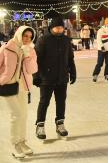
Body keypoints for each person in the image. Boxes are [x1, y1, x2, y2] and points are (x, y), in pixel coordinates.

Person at [33, 16, 76, 140]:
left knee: (61, 101)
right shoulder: (43, 40)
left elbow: (70, 57)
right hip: (46, 77)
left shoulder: (66, 40)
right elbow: (36, 59)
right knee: (44, 102)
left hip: (62, 77)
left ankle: (60, 123)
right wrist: (36, 76)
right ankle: (40, 125)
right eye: (57, 27)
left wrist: (73, 71)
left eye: (61, 27)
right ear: (51, 28)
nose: (59, 30)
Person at [0, 26, 37, 159]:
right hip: (8, 85)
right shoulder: (7, 48)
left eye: (30, 37)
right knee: (16, 114)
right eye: (25, 36)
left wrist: (27, 56)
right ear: (19, 34)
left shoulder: (30, 50)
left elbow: (33, 70)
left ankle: (22, 141)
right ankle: (15, 144)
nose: (27, 39)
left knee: (24, 115)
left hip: (23, 87)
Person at [92, 17, 108, 82]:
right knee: (100, 63)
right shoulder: (101, 30)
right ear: (105, 23)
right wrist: (101, 47)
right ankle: (95, 75)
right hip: (101, 50)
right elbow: (98, 39)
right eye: (107, 23)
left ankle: (107, 74)